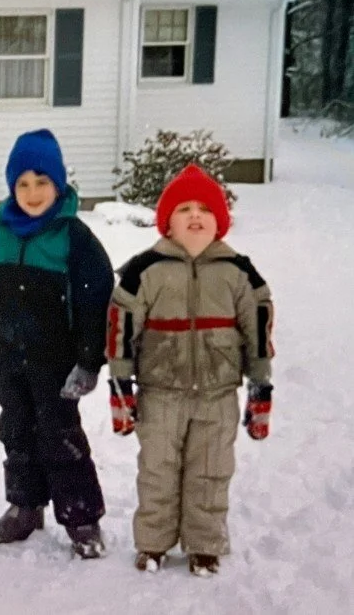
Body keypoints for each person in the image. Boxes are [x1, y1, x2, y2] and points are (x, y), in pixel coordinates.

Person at [107, 164, 275, 576]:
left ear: (220, 221)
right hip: (159, 390)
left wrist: (260, 388)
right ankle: (153, 543)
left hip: (218, 394)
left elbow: (258, 330)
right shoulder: (143, 270)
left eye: (205, 208)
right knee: (157, 471)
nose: (195, 216)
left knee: (210, 471)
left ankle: (204, 544)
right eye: (184, 209)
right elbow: (121, 327)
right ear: (167, 222)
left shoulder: (240, 272)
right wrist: (121, 385)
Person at [0, 129, 113, 558]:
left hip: (56, 360)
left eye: (41, 182)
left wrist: (88, 362)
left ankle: (82, 518)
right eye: (22, 183)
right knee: (17, 430)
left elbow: (93, 304)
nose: (32, 192)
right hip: (9, 357)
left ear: (58, 185)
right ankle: (25, 506)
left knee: (59, 434)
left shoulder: (74, 239)